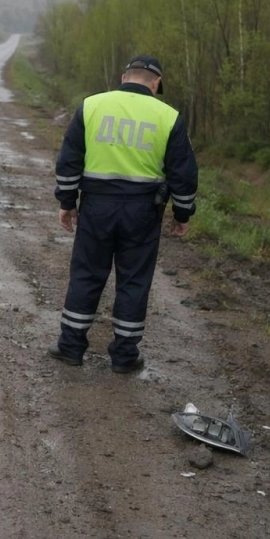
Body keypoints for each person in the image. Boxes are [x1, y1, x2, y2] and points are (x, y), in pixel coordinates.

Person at [48, 55, 198, 374]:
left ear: (124, 76)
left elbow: (70, 159)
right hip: (143, 211)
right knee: (133, 280)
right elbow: (183, 173)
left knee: (87, 274)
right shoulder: (168, 116)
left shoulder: (92, 106)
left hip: (96, 208)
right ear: (156, 83)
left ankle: (71, 347)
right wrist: (182, 214)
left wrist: (67, 202)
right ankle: (125, 356)